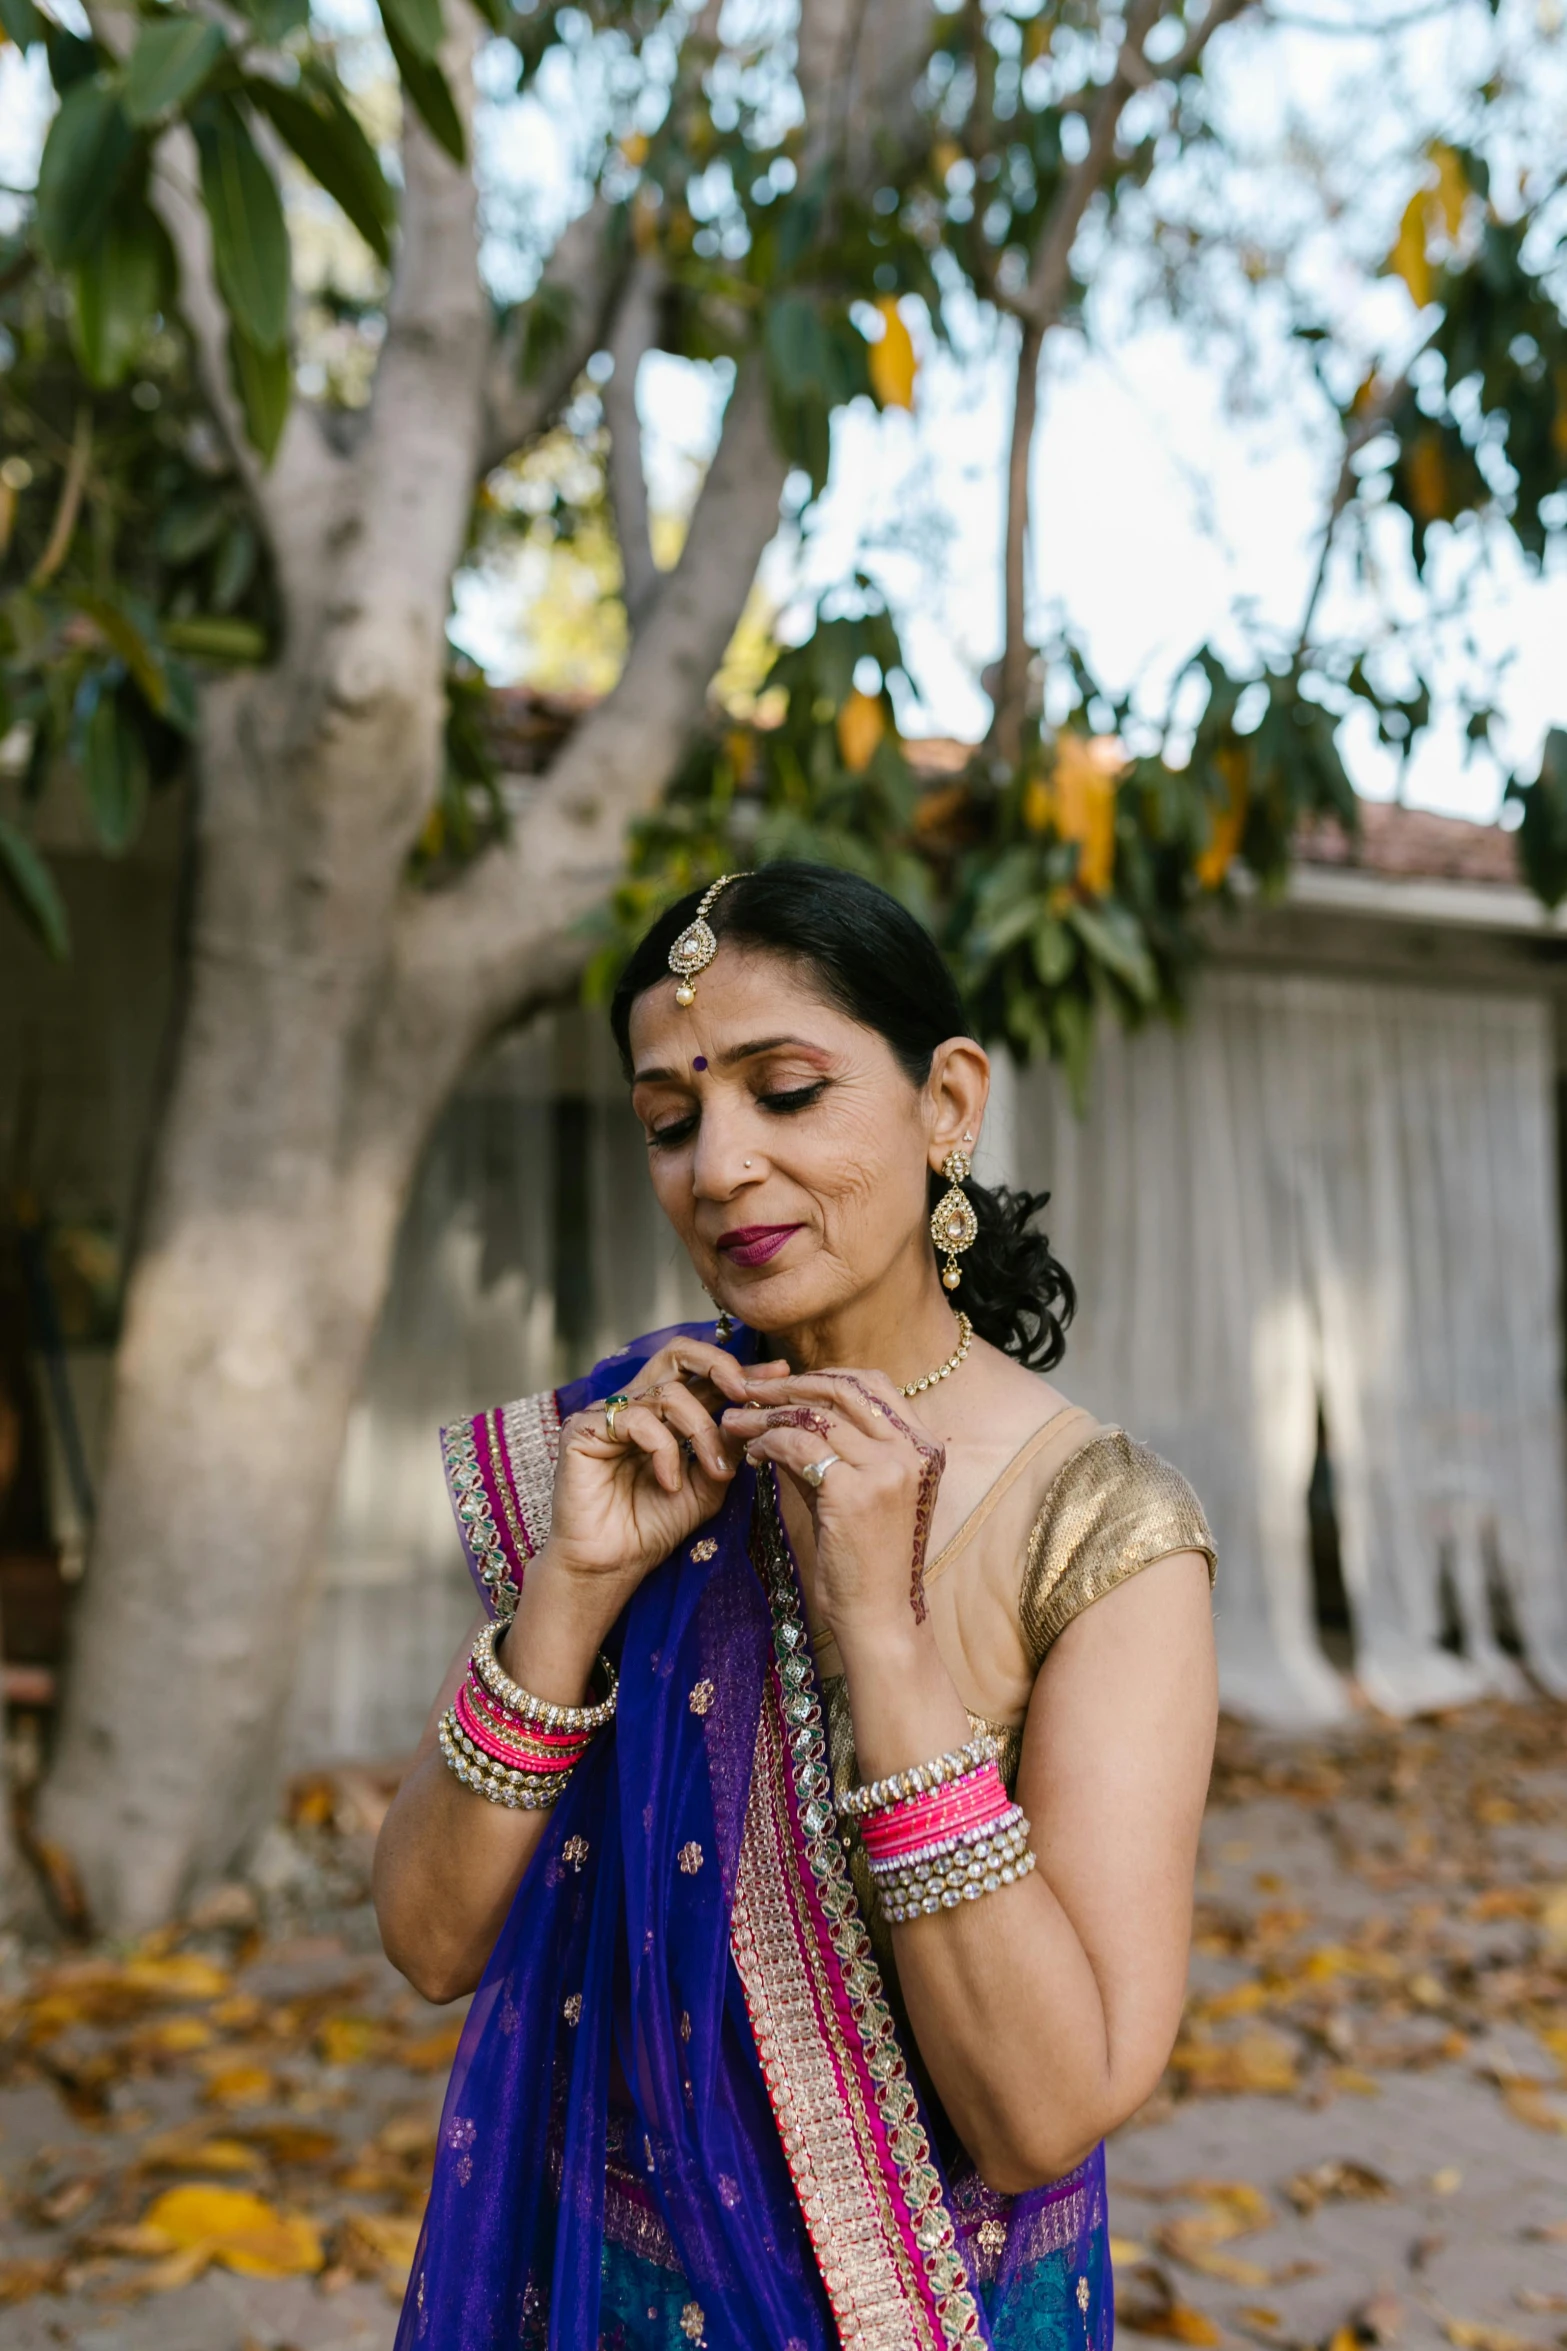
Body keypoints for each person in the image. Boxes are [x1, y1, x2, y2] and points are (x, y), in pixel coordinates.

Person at [374, 863, 1218, 2351]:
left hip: (920, 2308)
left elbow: (1043, 2111)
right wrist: (571, 1592)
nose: (720, 1166)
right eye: (669, 1119)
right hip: (596, 2294)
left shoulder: (1101, 1529)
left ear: (945, 1101)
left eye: (786, 1090)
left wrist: (880, 1644)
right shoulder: (632, 1446)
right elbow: (432, 1942)